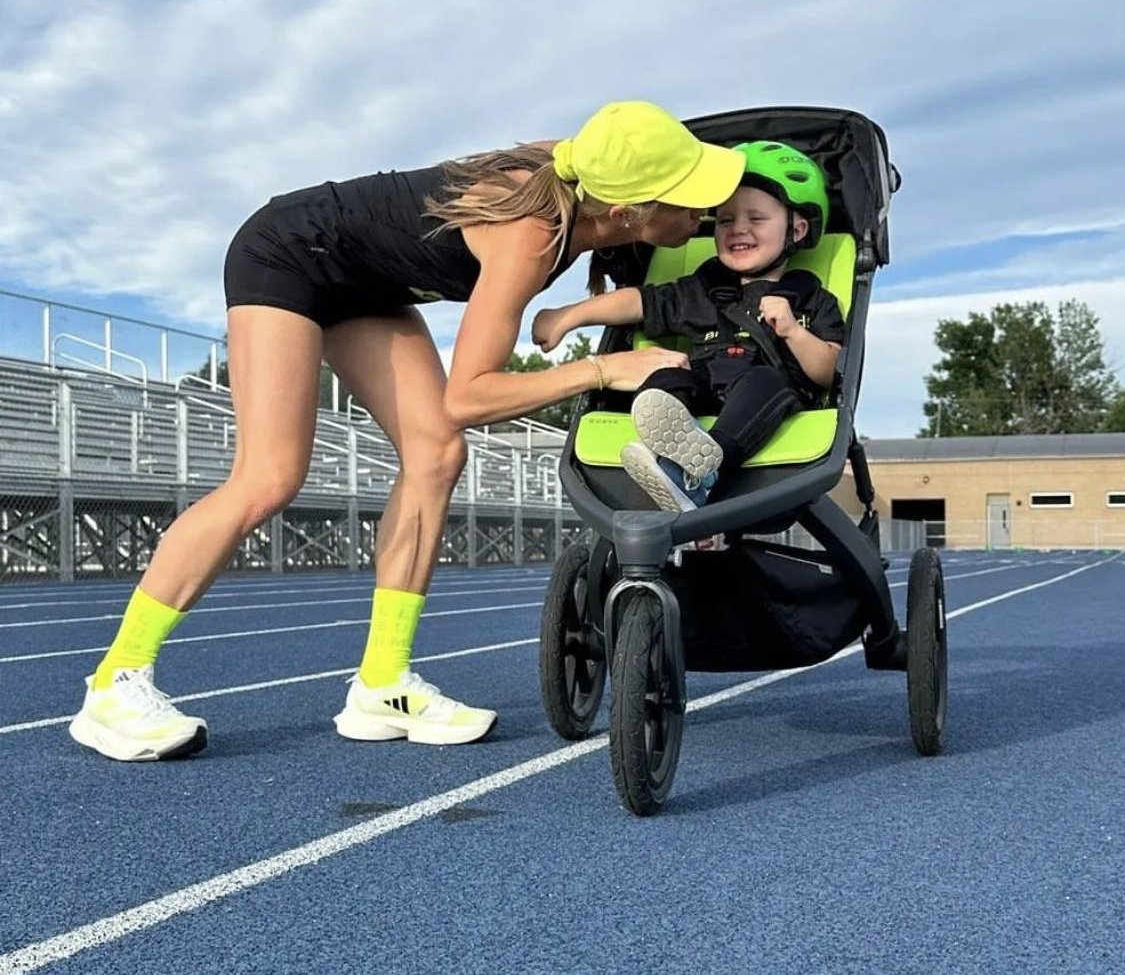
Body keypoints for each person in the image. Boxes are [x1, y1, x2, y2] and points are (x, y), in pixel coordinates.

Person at [68, 100, 746, 762]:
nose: (705, 211)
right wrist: (603, 367)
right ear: (625, 209)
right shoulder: (531, 236)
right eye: (687, 197)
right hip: (288, 254)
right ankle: (113, 684)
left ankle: (382, 685)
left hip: (365, 285)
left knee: (434, 454)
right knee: (269, 477)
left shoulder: (585, 172)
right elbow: (469, 395)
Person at [532, 140, 846, 512]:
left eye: (756, 218)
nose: (737, 229)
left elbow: (829, 371)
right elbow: (638, 302)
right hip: (705, 387)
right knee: (667, 377)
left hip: (768, 397)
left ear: (797, 229)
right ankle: (676, 458)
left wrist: (793, 331)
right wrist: (570, 315)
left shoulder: (811, 297)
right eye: (726, 219)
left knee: (764, 382)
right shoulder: (704, 288)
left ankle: (708, 468)